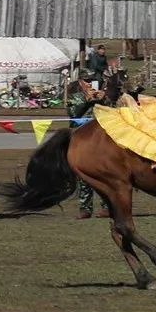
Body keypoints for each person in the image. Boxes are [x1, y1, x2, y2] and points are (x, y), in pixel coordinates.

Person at [68, 74, 111, 219]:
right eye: (87, 81)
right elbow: (73, 115)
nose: (90, 84)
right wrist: (87, 100)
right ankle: (85, 209)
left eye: (93, 81)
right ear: (80, 82)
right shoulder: (76, 97)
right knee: (83, 176)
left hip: (101, 141)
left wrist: (104, 99)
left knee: (104, 175)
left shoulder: (101, 96)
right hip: (82, 141)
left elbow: (113, 113)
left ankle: (107, 207)